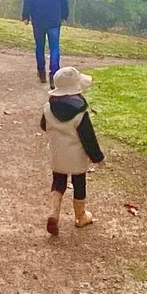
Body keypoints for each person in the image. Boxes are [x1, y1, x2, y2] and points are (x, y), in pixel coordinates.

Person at [40, 66, 104, 234]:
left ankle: (54, 213)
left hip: (57, 154)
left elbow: (43, 126)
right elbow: (88, 138)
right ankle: (80, 216)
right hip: (76, 157)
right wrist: (97, 157)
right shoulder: (80, 113)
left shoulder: (48, 107)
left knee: (58, 182)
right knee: (79, 183)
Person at [21, 0, 69, 85]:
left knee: (40, 46)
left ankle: (41, 73)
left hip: (38, 18)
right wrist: (64, 14)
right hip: (54, 18)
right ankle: (54, 75)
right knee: (54, 47)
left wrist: (26, 15)